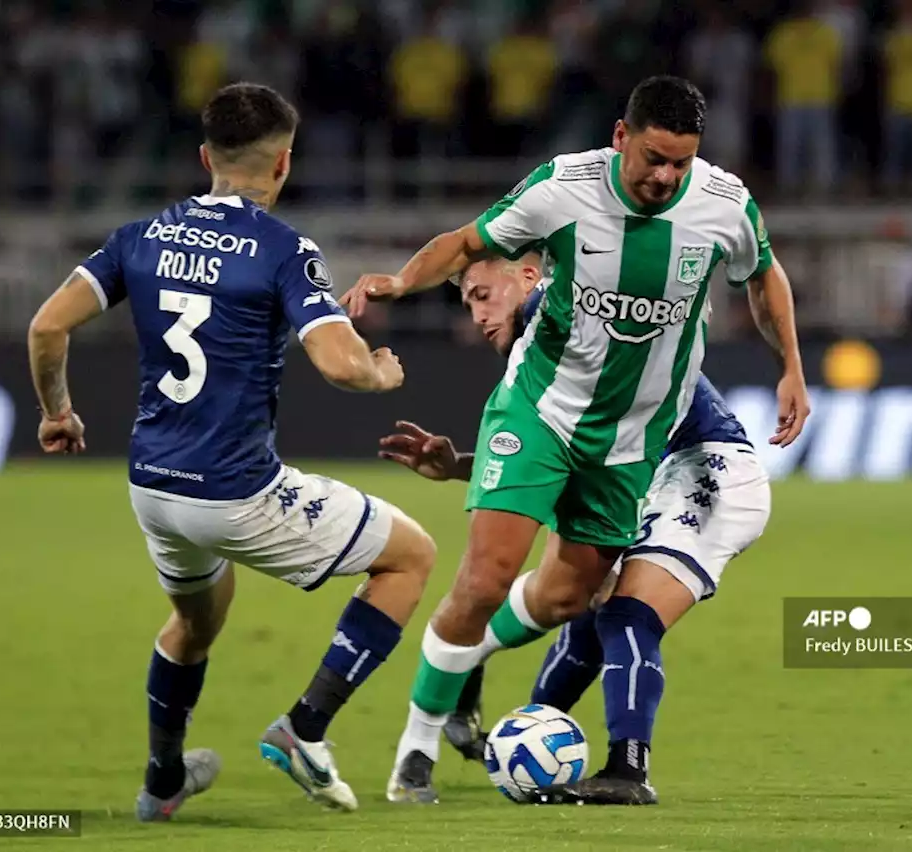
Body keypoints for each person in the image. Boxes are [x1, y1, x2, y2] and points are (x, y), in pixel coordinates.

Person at [339, 75, 809, 804]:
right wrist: (402, 283)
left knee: (567, 598)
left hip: (632, 445)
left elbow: (764, 275)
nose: (665, 176)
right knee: (488, 576)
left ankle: (474, 677)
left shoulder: (724, 204)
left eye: (680, 163)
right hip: (541, 411)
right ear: (621, 137)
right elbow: (469, 241)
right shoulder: (564, 188)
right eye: (653, 157)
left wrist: (792, 370)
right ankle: (416, 750)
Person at [25, 83, 437, 820]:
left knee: (196, 620)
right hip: (234, 492)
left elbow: (46, 329)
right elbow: (342, 366)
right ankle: (305, 729)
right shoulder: (283, 250)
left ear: (204, 156)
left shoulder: (139, 237)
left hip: (153, 485)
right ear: (283, 163)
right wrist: (380, 371)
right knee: (411, 556)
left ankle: (161, 782)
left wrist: (59, 413)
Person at [378, 251, 772, 804]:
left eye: (483, 295)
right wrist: (465, 466)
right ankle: (522, 720)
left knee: (626, 615)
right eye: (467, 305)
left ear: (530, 277)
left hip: (707, 473)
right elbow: (574, 445)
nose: (478, 316)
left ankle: (628, 772)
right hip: (651, 471)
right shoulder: (544, 341)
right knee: (578, 601)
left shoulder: (567, 318)